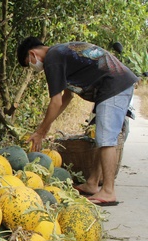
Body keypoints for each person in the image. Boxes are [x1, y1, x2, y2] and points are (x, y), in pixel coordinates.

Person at [16, 37, 139, 206]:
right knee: (101, 138)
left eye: (29, 63)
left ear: (32, 53)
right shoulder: (59, 53)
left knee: (107, 139)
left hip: (113, 86)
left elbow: (56, 101)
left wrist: (41, 132)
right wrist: (45, 126)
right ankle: (92, 183)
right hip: (113, 85)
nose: (33, 67)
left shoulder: (52, 59)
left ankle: (109, 191)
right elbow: (67, 96)